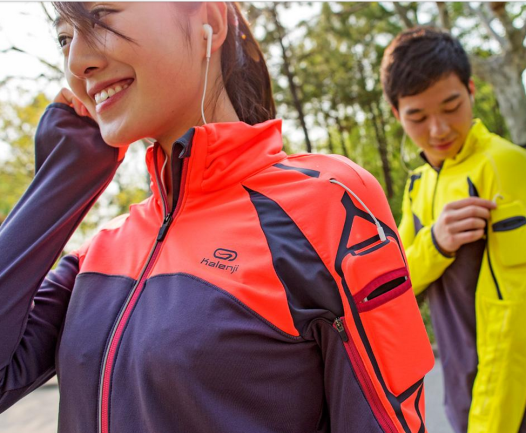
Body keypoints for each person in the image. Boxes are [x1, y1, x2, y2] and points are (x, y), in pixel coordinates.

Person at [0, 3, 434, 432]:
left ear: (208, 19)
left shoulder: (324, 205)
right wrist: (61, 181)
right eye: (64, 38)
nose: (76, 61)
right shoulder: (98, 252)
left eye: (100, 18)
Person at [381, 26, 526, 433]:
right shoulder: (417, 184)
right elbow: (398, 288)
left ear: (471, 89)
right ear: (396, 114)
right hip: (460, 394)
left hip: (510, 403)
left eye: (451, 106)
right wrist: (437, 243)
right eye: (418, 116)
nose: (438, 129)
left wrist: (488, 425)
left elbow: (513, 317)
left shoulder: (506, 165)